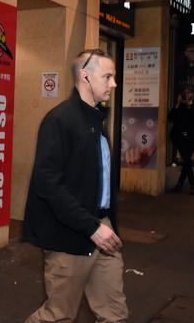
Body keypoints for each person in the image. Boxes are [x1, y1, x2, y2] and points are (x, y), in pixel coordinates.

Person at [24, 48, 128, 323]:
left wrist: (105, 225)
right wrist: (90, 227)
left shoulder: (96, 119)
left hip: (103, 230)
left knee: (115, 315)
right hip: (69, 236)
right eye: (108, 77)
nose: (114, 84)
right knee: (58, 316)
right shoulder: (60, 120)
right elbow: (48, 183)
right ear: (85, 76)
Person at [168, 88, 194, 195]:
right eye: (185, 95)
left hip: (191, 138)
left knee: (187, 161)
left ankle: (180, 184)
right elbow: (170, 117)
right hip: (179, 138)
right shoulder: (179, 107)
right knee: (187, 160)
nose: (187, 97)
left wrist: (189, 105)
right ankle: (193, 184)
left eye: (189, 95)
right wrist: (178, 104)